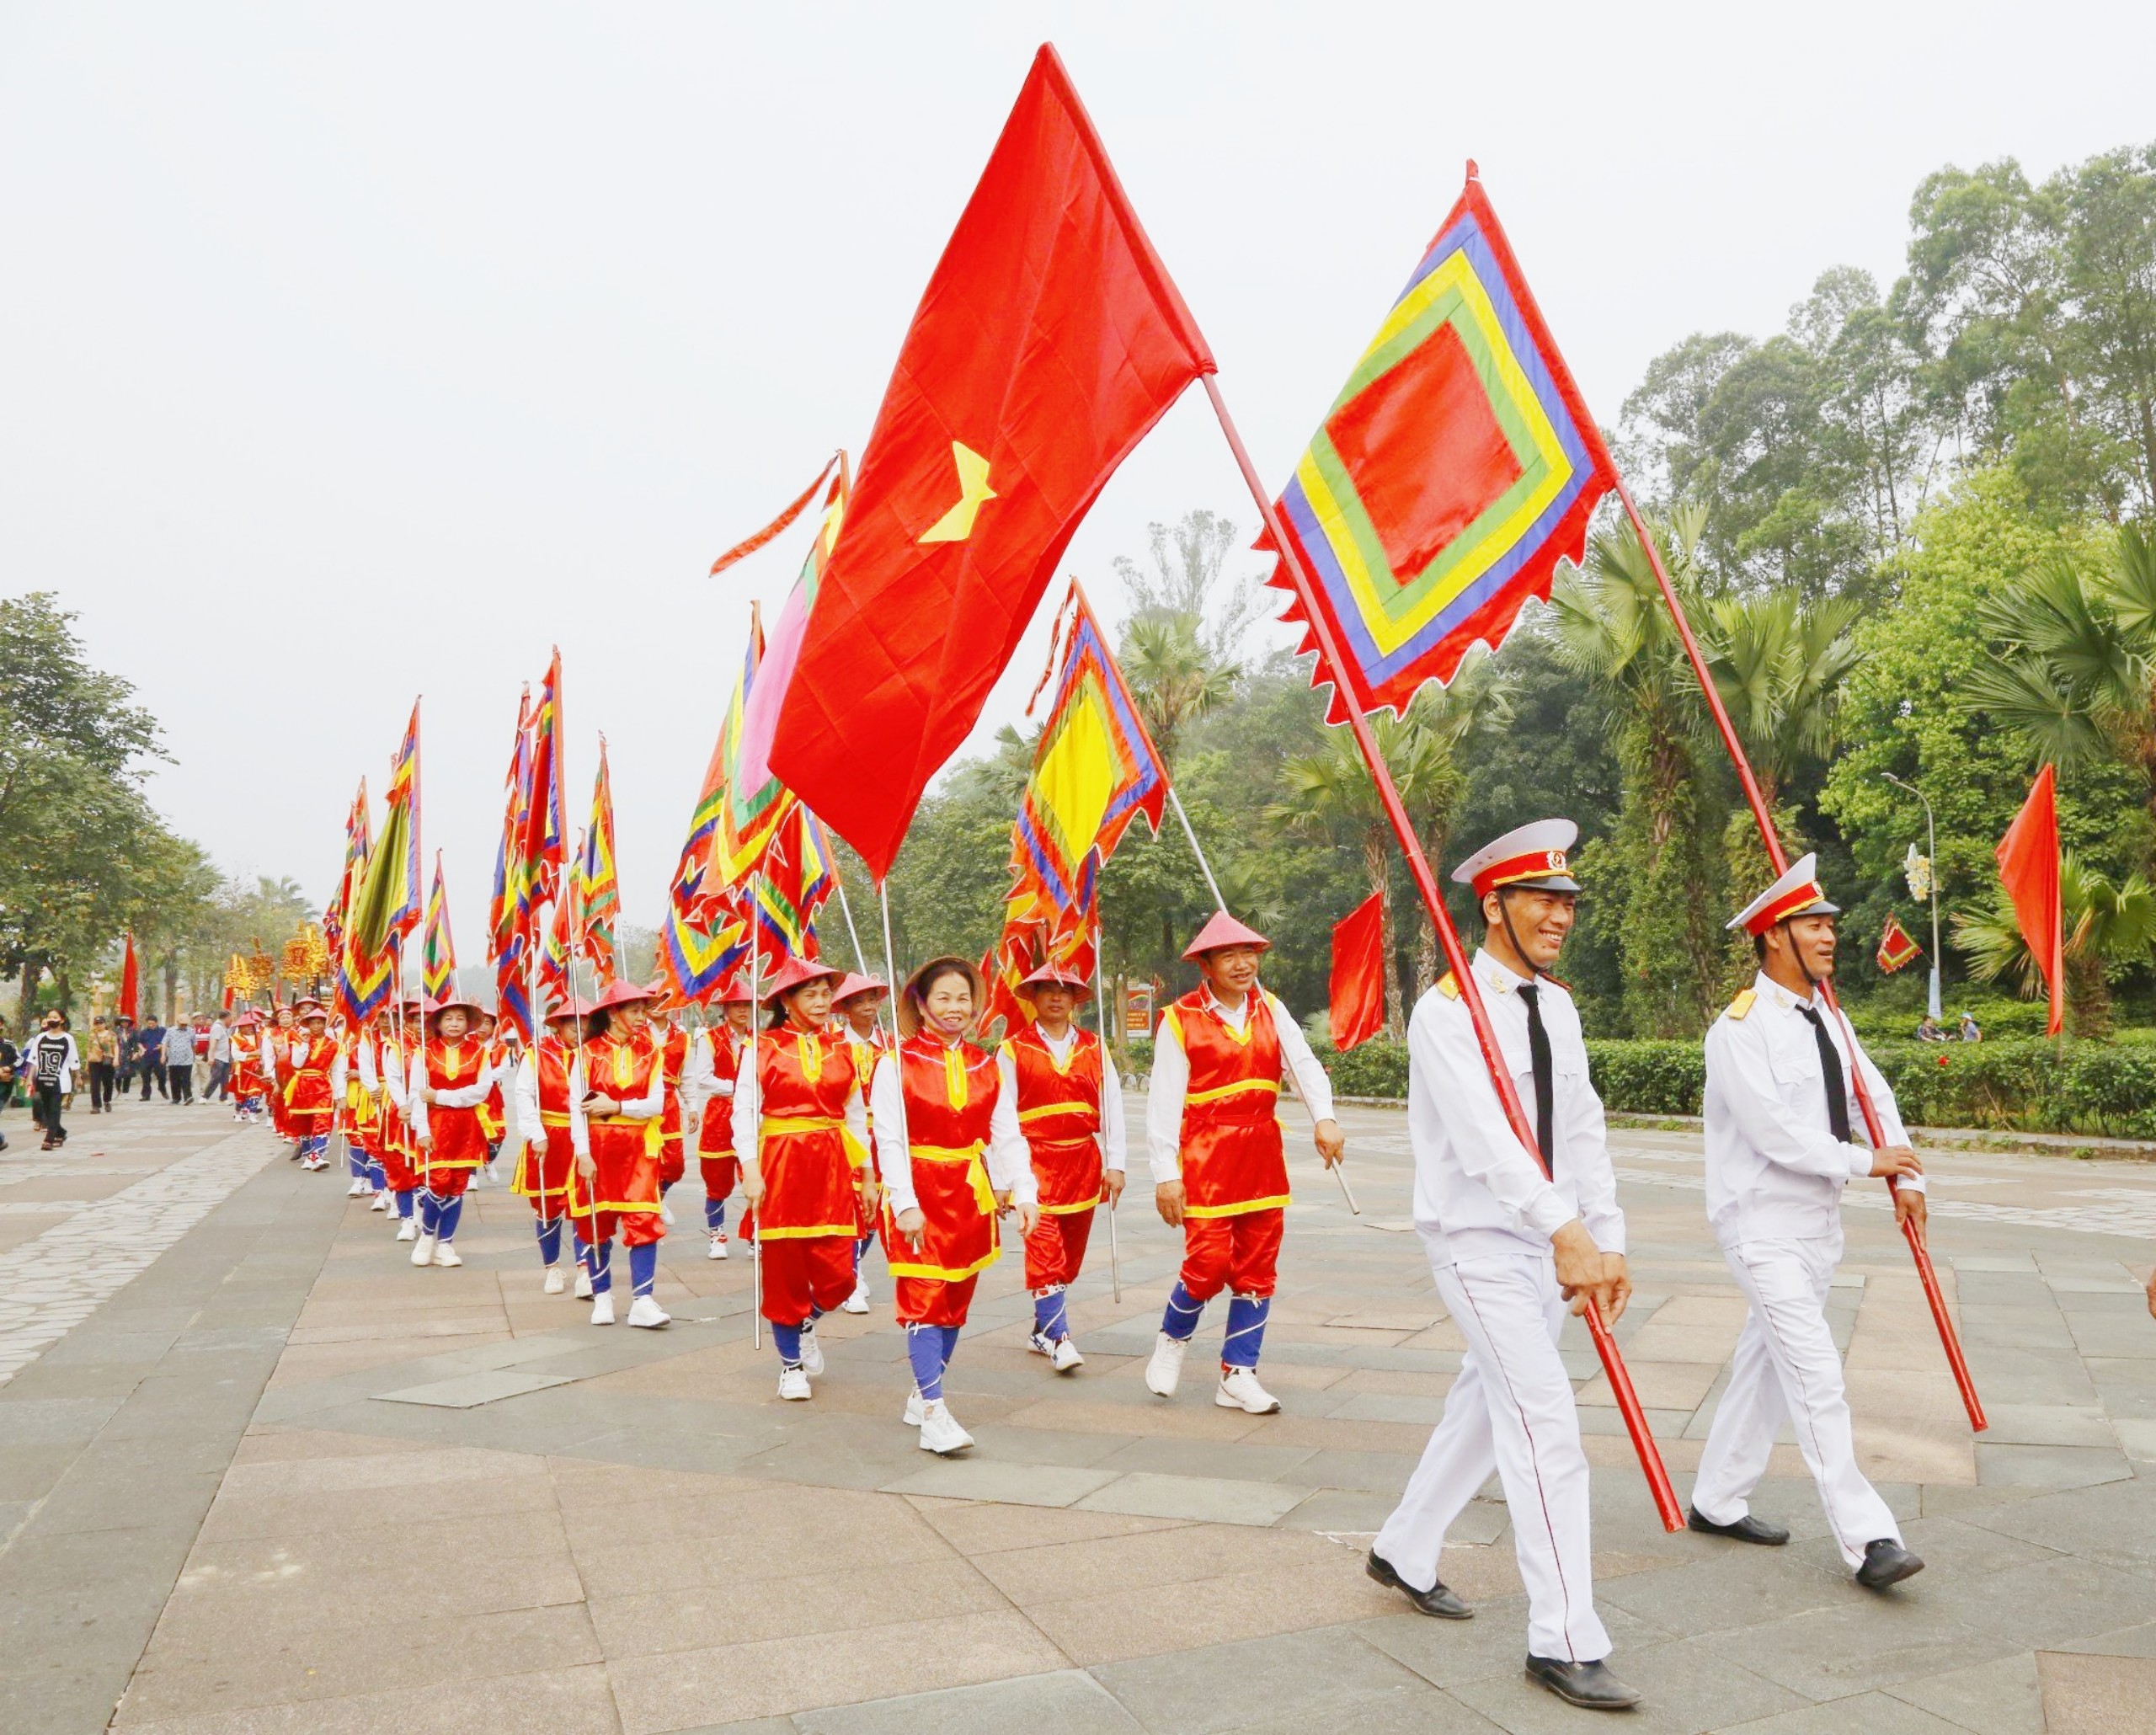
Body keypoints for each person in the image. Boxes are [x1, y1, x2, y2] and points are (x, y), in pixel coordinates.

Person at [1364, 820, 1639, 1712]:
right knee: (1542, 1419)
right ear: (1493, 906)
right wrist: (1567, 1232)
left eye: (1566, 902)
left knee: (1485, 1408)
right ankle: (1563, 1636)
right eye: (1540, 901)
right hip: (1479, 1240)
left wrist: (1607, 1232)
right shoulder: (1446, 1013)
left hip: (1551, 1236)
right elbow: (1488, 1145)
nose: (1559, 916)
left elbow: (1582, 1128)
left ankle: (1403, 1545)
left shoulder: (1555, 1005)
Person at [1691, 852, 1929, 1594]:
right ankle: (1870, 1540)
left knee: (1767, 1361)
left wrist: (1910, 1172)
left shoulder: (1829, 1016)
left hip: (1816, 1223)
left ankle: (1716, 1499)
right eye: (1812, 924)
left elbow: (1871, 1095)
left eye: (1829, 923)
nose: (1829, 936)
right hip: (1759, 1222)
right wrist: (1869, 1165)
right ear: (1773, 938)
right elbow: (1773, 1135)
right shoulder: (1739, 1029)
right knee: (1816, 1372)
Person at [1143, 911, 1343, 1416]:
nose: (1242, 963)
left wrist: (1324, 1117)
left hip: (1261, 1153)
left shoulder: (1271, 1009)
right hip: (1205, 1156)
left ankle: (1238, 1374)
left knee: (1258, 1267)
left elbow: (1303, 1066)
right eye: (1228, 955)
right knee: (1207, 1264)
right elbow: (1164, 1102)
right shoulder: (1179, 1018)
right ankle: (1173, 1337)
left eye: (1248, 953)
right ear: (1206, 965)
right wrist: (1166, 1174)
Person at [875, 958, 1037, 1454]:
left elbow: (1006, 1133)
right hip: (918, 1194)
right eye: (942, 998)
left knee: (953, 1305)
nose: (954, 1007)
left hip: (969, 1194)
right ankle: (934, 1412)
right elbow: (889, 1139)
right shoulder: (895, 1062)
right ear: (921, 1005)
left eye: (963, 998)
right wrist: (904, 1201)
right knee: (925, 1298)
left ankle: (922, 1393)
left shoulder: (986, 1064)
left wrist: (1024, 1189)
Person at [732, 956, 873, 1398]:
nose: (820, 1001)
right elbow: (743, 1115)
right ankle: (790, 1364)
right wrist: (751, 1172)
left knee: (842, 1274)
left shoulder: (843, 1050)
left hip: (831, 1164)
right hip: (780, 1163)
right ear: (787, 1001)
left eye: (825, 993)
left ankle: (806, 1319)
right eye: (810, 994)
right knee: (784, 1268)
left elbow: (855, 1120)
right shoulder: (762, 1047)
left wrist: (867, 1175)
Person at [1001, 963, 1125, 1372]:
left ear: (1075, 1000)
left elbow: (1113, 1109)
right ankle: (1059, 1339)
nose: (1056, 997)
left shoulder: (1094, 1046)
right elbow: (999, 1116)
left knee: (1068, 1258)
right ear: (1032, 998)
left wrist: (1116, 1163)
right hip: (1034, 1163)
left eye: (1065, 990)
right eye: (1046, 990)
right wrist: (1004, 1178)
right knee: (1044, 1251)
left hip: (1083, 1163)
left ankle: (1041, 1327)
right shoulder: (1013, 1049)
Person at [566, 980, 670, 1326]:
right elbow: (577, 1108)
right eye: (635, 1011)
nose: (642, 1017)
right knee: (597, 1222)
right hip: (597, 1147)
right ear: (613, 1014)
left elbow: (657, 1104)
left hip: (639, 1149)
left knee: (643, 1220)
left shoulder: (652, 1052)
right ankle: (602, 1296)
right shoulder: (586, 1054)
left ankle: (643, 1299)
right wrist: (582, 1153)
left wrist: (616, 1104)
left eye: (644, 1011)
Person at [406, 996, 497, 1268]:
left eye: (459, 1019)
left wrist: (441, 1095)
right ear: (438, 1023)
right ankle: (426, 1237)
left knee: (458, 1186)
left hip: (467, 1126)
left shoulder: (480, 1053)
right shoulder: (425, 1052)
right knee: (438, 1183)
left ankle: (445, 1244)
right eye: (448, 1019)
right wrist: (421, 1129)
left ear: (468, 1023)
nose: (454, 1024)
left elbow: (481, 1091)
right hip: (435, 1126)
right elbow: (417, 1094)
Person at [512, 998, 592, 1294]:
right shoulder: (538, 1054)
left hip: (585, 1136)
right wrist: (537, 1133)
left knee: (585, 1204)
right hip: (549, 1135)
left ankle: (586, 1269)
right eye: (573, 1025)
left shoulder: (595, 1053)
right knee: (547, 1207)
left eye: (585, 1024)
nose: (580, 1030)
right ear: (558, 1025)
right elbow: (524, 1095)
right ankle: (553, 1268)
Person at [684, 979, 756, 1260]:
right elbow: (703, 1079)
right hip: (721, 1114)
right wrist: (738, 1087)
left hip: (751, 1114)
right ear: (725, 1009)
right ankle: (717, 1235)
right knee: (717, 1179)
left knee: (756, 1173)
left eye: (746, 1005)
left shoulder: (759, 1039)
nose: (742, 1010)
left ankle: (754, 1235)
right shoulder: (710, 1038)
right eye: (736, 1005)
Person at [832, 972, 892, 1311]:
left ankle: (850, 1267)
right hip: (849, 1134)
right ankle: (850, 1279)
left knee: (875, 1210)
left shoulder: (889, 1044)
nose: (868, 1007)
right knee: (851, 1205)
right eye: (859, 1001)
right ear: (846, 1009)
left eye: (872, 1000)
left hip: (882, 1135)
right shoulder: (836, 1046)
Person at [282, 1006, 341, 1171]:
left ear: (325, 1024)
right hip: (302, 1085)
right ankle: (309, 1156)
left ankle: (317, 1156)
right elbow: (296, 1064)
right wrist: (305, 1045)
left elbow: (337, 1071)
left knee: (323, 1121)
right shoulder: (299, 1042)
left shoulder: (334, 1045)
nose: (316, 1026)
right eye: (313, 1023)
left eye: (320, 1023)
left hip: (322, 1086)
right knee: (304, 1124)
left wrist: (339, 1094)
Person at [649, 1001, 690, 1225]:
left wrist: (692, 1106)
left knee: (675, 1164)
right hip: (642, 1102)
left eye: (661, 999)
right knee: (648, 1159)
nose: (657, 1005)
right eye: (652, 1000)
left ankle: (659, 1197)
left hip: (670, 1105)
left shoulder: (682, 1036)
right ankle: (648, 1202)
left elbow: (687, 1075)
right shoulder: (636, 1032)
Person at [25, 1010, 79, 1150]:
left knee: (55, 1109)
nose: (51, 1019)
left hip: (60, 1080)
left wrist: (78, 1077)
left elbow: (73, 1060)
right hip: (43, 1079)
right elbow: (34, 1059)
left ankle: (48, 1140)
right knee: (47, 1111)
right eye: (49, 1017)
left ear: (62, 1020)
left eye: (55, 1017)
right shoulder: (41, 1038)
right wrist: (30, 1078)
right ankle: (60, 1132)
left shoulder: (67, 1039)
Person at [229, 1012, 265, 1121]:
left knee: (256, 1091)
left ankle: (252, 1113)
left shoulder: (259, 1037)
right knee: (241, 1094)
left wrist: (262, 1059)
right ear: (240, 1028)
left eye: (250, 1026)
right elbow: (235, 1054)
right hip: (243, 1069)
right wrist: (253, 1053)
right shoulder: (236, 1038)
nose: (249, 1028)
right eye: (245, 1026)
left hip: (257, 1068)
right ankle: (238, 1112)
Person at [86, 1017, 119, 1113]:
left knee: (108, 1083)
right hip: (94, 1061)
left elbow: (115, 1046)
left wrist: (116, 1059)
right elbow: (89, 1050)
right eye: (96, 1023)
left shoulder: (111, 1034)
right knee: (94, 1084)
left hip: (107, 1061)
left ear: (105, 1024)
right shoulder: (92, 1036)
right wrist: (87, 1064)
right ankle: (96, 1106)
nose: (99, 1025)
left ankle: (107, 1100)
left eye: (100, 1023)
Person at [134, 1013, 167, 1101]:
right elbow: (139, 1042)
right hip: (146, 1057)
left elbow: (167, 1042)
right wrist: (142, 1048)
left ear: (156, 1023)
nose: (150, 1025)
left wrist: (162, 1046)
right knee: (145, 1076)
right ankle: (146, 1095)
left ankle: (162, 1087)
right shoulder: (143, 1032)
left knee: (162, 1075)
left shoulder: (163, 1031)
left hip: (158, 1056)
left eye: (152, 1023)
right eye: (149, 1024)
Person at [163, 1017, 196, 1104]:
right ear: (177, 1022)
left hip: (187, 1059)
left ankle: (188, 1097)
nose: (184, 1026)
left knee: (186, 1079)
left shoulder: (191, 1031)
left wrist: (193, 1055)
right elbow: (165, 1043)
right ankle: (176, 1098)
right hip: (173, 1059)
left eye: (185, 1024)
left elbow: (194, 1044)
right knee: (174, 1080)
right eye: (182, 1024)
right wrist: (163, 1055)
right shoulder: (170, 1031)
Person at [206, 1013, 232, 1099]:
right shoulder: (217, 1027)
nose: (231, 1021)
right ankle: (205, 1096)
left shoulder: (223, 1028)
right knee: (216, 1078)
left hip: (225, 1058)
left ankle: (223, 1098)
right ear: (226, 1018)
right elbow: (213, 1043)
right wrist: (211, 1057)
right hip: (218, 1057)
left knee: (225, 1080)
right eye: (230, 1019)